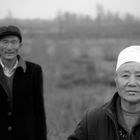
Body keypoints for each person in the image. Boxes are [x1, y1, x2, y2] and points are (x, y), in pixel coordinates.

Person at [68, 45, 140, 140]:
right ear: (116, 79)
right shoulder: (93, 120)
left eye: (139, 76)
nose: (132, 83)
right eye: (125, 76)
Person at [0, 25, 47, 140]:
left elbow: (39, 111)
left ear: (20, 46)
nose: (9, 47)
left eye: (14, 42)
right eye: (5, 42)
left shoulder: (34, 71)